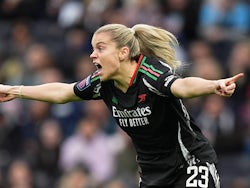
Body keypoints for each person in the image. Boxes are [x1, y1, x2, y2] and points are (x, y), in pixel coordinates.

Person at [0, 23, 244, 188]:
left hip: (190, 163)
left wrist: (213, 85)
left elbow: (181, 86)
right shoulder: (102, 83)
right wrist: (14, 90)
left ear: (123, 52)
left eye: (100, 48)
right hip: (152, 173)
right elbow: (64, 92)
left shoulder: (149, 72)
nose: (92, 55)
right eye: (92, 49)